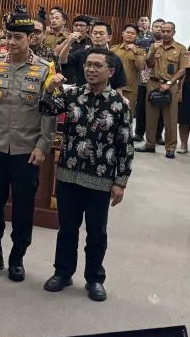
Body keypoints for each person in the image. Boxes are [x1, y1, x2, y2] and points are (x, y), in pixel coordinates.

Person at [0, 13, 57, 281]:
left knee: (23, 207)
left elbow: (49, 112)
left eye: (18, 37)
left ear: (30, 39)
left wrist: (43, 145)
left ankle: (17, 257)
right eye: (9, 36)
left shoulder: (43, 69)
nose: (13, 42)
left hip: (26, 150)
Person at [39, 49, 132, 302]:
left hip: (100, 178)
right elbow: (46, 109)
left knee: (96, 233)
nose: (91, 69)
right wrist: (50, 89)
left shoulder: (119, 104)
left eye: (97, 66)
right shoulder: (72, 95)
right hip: (68, 172)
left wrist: (120, 182)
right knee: (67, 229)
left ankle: (94, 279)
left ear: (110, 72)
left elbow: (125, 145)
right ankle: (63, 272)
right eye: (88, 65)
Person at [137, 21, 190, 158]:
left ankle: (170, 148)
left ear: (174, 32)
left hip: (170, 86)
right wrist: (152, 50)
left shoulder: (180, 48)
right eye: (163, 31)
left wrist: (169, 83)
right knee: (151, 116)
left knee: (170, 118)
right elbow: (148, 64)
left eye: (169, 31)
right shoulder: (154, 46)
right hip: (153, 83)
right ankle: (150, 144)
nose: (165, 34)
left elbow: (182, 69)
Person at [111, 23, 146, 119]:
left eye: (133, 33)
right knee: (111, 116)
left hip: (130, 89)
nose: (130, 34)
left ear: (136, 36)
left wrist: (135, 52)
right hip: (113, 88)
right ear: (123, 33)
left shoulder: (140, 51)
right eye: (128, 32)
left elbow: (141, 67)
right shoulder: (114, 49)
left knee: (127, 116)